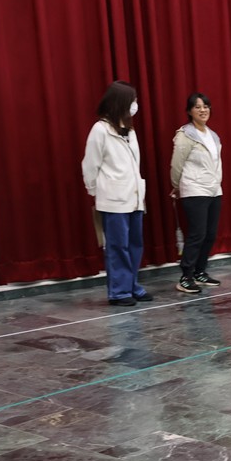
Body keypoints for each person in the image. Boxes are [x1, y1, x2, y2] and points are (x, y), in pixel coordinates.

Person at [81, 80, 149, 306]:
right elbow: (90, 165)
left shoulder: (130, 130)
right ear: (121, 102)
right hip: (112, 199)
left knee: (135, 244)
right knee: (118, 246)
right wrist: (95, 191)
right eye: (133, 100)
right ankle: (119, 292)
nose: (135, 104)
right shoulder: (100, 130)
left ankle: (132, 286)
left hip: (134, 197)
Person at [170, 92, 223, 294]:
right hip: (194, 189)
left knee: (210, 234)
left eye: (206, 106)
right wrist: (176, 186)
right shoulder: (185, 135)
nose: (203, 110)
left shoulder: (213, 135)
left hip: (214, 189)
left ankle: (200, 271)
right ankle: (186, 276)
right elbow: (176, 164)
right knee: (197, 234)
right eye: (198, 107)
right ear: (189, 111)